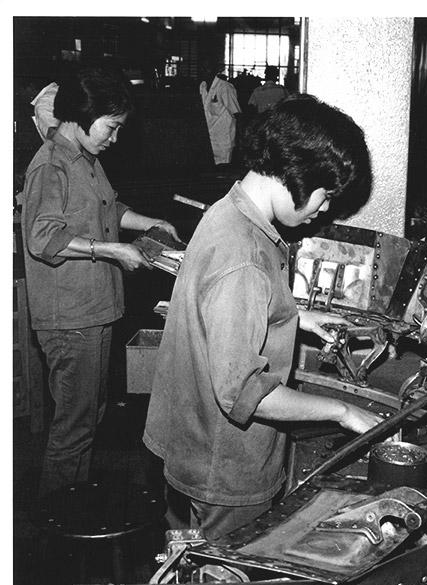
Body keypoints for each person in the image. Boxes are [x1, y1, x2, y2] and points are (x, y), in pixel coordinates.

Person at [143, 94, 381, 542]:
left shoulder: (229, 212)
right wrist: (343, 411)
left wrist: (297, 316)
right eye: (325, 194)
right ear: (297, 175)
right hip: (226, 466)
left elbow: (225, 310)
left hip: (193, 441)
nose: (324, 208)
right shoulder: (245, 257)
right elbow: (242, 393)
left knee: (192, 577)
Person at [21, 66, 180, 498]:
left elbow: (107, 208)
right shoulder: (51, 166)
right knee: (74, 425)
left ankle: (73, 501)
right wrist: (113, 251)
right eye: (110, 128)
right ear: (79, 115)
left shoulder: (84, 159)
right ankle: (59, 519)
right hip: (70, 316)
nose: (114, 138)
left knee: (88, 415)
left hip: (93, 310)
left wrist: (150, 222)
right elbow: (43, 237)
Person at [199, 66, 241, 165]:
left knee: (222, 170)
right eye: (202, 68)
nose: (204, 70)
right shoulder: (202, 86)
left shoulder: (225, 87)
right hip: (209, 139)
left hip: (223, 140)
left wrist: (240, 139)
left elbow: (237, 114)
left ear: (215, 70)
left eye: (207, 67)